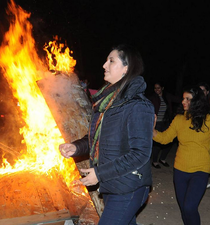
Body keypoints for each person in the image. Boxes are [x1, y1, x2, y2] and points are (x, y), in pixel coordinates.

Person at [59, 44, 154, 225]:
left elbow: (140, 154)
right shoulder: (106, 104)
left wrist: (100, 173)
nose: (104, 65)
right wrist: (76, 147)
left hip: (129, 186)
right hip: (112, 183)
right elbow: (96, 139)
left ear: (126, 69)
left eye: (111, 61)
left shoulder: (138, 106)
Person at [153, 86, 210, 225]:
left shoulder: (209, 119)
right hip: (180, 169)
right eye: (183, 98)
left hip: (200, 170)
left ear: (196, 101)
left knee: (190, 207)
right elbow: (165, 138)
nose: (183, 101)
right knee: (184, 208)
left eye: (187, 99)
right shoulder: (179, 119)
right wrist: (151, 130)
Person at [148, 82, 181, 168]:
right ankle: (155, 161)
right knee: (158, 142)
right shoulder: (152, 98)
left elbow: (178, 99)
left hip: (166, 122)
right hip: (157, 123)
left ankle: (162, 159)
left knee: (169, 141)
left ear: (162, 88)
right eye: (155, 88)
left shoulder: (167, 96)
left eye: (158, 88)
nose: (156, 90)